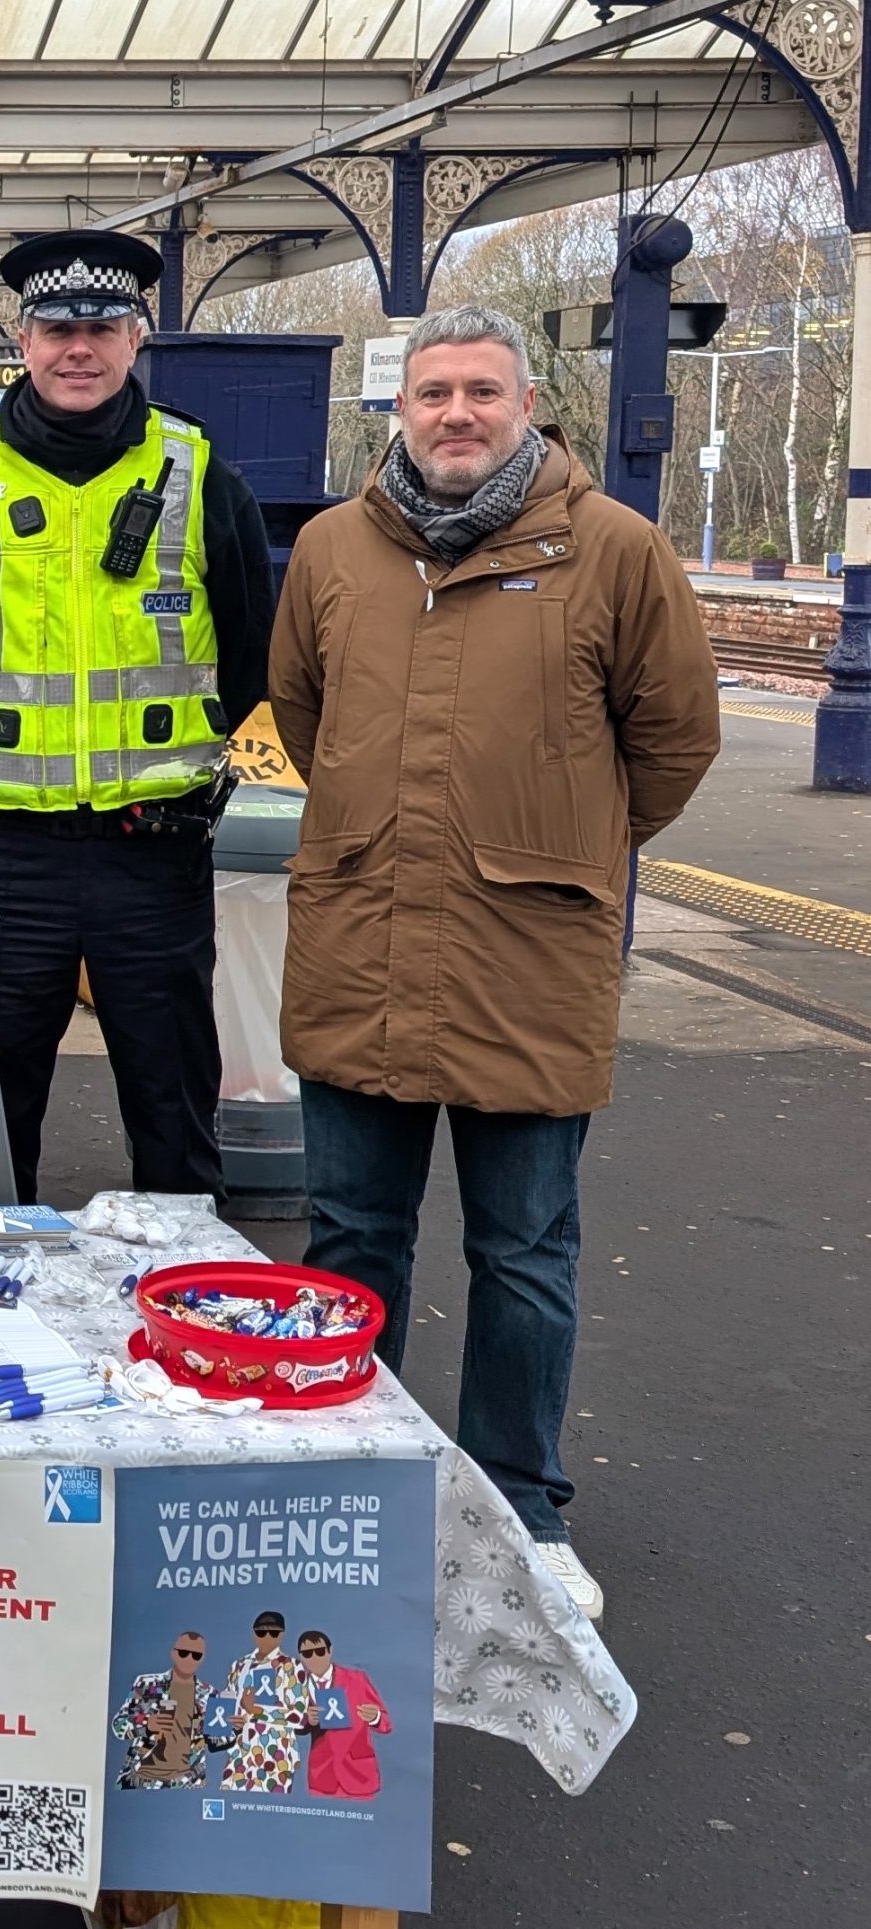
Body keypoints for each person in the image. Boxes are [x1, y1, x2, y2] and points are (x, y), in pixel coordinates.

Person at [268, 302, 719, 1623]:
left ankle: (521, 1500)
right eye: (431, 394)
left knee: (526, 1245)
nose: (455, 413)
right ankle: (353, 1469)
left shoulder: (614, 551)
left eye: (481, 391)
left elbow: (674, 739)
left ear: (530, 406)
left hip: (532, 954)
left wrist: (561, 838)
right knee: (353, 1230)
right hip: (364, 938)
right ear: (397, 412)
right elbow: (304, 708)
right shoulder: (334, 551)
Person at [0, 231, 273, 1205]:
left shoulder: (198, 472)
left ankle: (175, 1308)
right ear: (23, 336)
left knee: (173, 1111)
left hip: (157, 850)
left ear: (136, 338)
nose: (78, 348)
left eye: (102, 326)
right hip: (8, 860)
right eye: (58, 327)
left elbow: (255, 643)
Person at [218, 1613, 312, 1795]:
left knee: (271, 1817)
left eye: (273, 1633)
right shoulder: (239, 1666)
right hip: (240, 1755)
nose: (267, 1637)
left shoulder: (292, 1667)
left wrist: (256, 1710)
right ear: (254, 1634)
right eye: (262, 1633)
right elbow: (226, 1705)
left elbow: (299, 1716)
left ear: (282, 1634)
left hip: (276, 1755)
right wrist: (231, 1722)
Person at [110, 1631, 216, 1789]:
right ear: (173, 1653)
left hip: (186, 1785)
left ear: (203, 1658)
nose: (189, 1659)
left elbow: (216, 1741)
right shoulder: (148, 1684)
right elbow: (119, 1725)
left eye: (196, 1655)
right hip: (140, 1778)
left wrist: (235, 1728)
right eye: (184, 1653)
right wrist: (147, 1724)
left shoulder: (208, 1694)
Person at [295, 1630, 390, 1800]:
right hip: (322, 1776)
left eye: (320, 1651)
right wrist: (306, 1720)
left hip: (358, 1775)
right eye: (308, 1653)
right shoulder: (298, 1687)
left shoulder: (357, 1679)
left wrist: (374, 1717)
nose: (315, 1657)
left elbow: (385, 1723)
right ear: (301, 1657)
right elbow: (294, 1724)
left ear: (330, 1651)